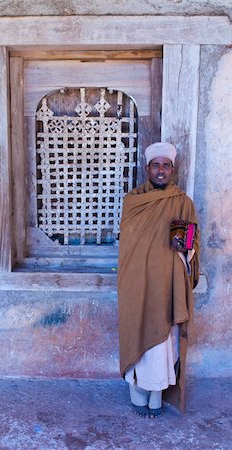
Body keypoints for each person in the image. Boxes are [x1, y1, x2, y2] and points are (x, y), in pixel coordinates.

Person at [117, 142, 199, 418]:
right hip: (137, 282)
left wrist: (186, 246)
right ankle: (138, 392)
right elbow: (128, 245)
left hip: (167, 284)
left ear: (172, 169)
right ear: (147, 169)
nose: (161, 170)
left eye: (166, 165)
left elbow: (190, 242)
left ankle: (157, 394)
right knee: (137, 328)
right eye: (156, 165)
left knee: (165, 341)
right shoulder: (133, 202)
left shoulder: (182, 202)